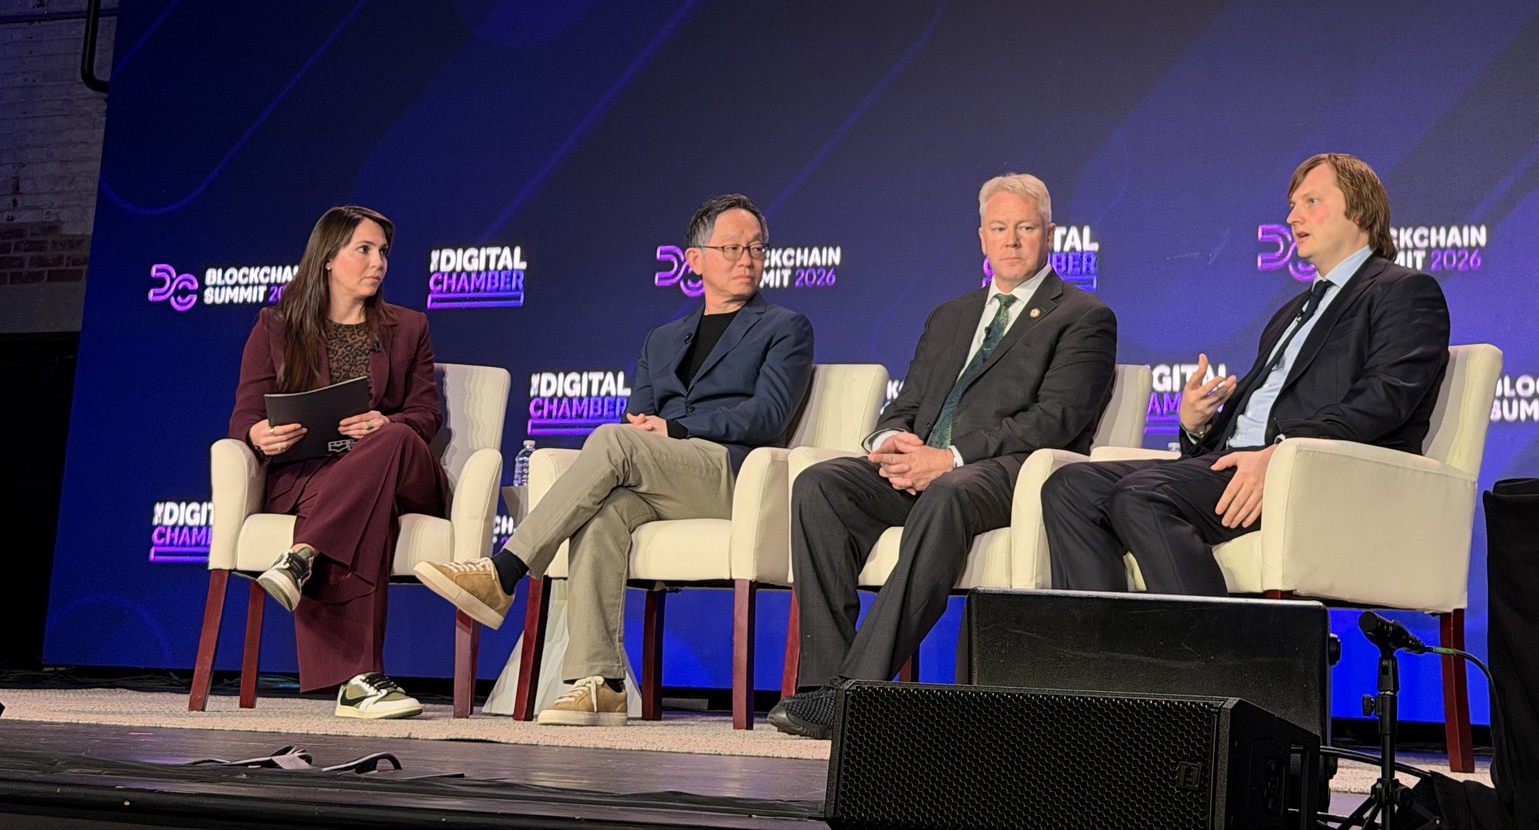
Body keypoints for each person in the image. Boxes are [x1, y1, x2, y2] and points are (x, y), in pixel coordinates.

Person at [415, 193, 812, 726]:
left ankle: (504, 571)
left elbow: (769, 415)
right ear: (694, 260)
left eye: (757, 248)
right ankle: (601, 683)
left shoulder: (785, 327)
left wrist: (676, 429)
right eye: (733, 248)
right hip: (667, 473)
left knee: (612, 441)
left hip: (733, 475)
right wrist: (656, 431)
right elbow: (640, 415)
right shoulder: (663, 340)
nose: (748, 259)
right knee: (602, 514)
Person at [766, 173, 1116, 739]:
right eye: (998, 228)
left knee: (949, 494)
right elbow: (907, 404)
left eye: (1025, 228)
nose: (1011, 240)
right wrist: (888, 441)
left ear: (1050, 234)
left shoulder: (1082, 315)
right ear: (981, 238)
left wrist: (950, 457)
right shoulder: (951, 315)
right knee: (819, 485)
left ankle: (857, 690)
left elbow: (1056, 419)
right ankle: (821, 687)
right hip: (928, 466)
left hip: (1009, 473)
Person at [1041, 153, 1449, 597]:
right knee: (1069, 486)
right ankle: (1103, 641)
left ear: (1360, 210)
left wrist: (1281, 451)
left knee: (1142, 494)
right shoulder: (1291, 312)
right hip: (1240, 462)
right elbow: (1263, 412)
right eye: (1292, 206)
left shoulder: (1404, 291)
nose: (1292, 218)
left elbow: (1385, 399)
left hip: (1317, 475)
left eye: (1311, 202)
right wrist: (1197, 428)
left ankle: (1217, 644)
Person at [232, 205, 448, 720]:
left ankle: (301, 554)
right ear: (328, 258)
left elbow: (425, 414)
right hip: (315, 476)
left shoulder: (409, 326)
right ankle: (359, 683)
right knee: (362, 510)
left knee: (394, 436)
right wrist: (260, 434)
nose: (379, 263)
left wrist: (384, 422)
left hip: (403, 471)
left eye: (383, 252)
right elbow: (245, 414)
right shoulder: (276, 326)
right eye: (364, 250)